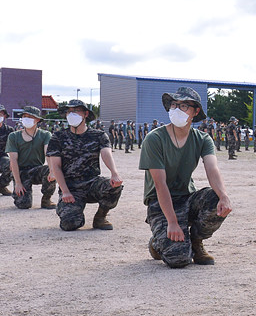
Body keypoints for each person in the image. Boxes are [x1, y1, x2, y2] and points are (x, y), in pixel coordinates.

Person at [140, 87, 232, 268]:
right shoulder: (155, 139)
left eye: (183, 106)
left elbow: (212, 169)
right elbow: (160, 185)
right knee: (178, 259)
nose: (176, 109)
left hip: (186, 198)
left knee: (215, 198)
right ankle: (157, 242)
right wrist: (172, 222)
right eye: (174, 105)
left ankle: (196, 242)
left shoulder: (203, 139)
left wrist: (224, 196)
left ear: (195, 111)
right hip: (160, 202)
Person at [46, 99, 123, 231]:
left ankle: (100, 217)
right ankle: (70, 211)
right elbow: (56, 167)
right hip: (71, 188)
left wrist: (114, 174)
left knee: (114, 187)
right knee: (70, 224)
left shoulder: (98, 135)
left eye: (76, 111)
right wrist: (65, 191)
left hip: (92, 183)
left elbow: (106, 154)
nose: (71, 114)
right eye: (69, 111)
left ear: (86, 114)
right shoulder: (58, 137)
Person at [5, 106, 56, 209]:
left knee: (50, 170)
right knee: (24, 204)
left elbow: (48, 153)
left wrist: (52, 171)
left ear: (37, 119)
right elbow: (13, 160)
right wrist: (18, 183)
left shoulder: (45, 135)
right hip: (21, 171)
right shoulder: (13, 136)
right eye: (24, 116)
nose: (26, 118)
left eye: (29, 116)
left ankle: (46, 199)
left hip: (36, 169)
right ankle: (18, 194)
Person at [0, 104, 14, 196]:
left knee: (11, 164)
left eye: (0, 114)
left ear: (4, 116)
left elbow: (14, 148)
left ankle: (1, 185)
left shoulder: (9, 130)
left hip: (2, 157)